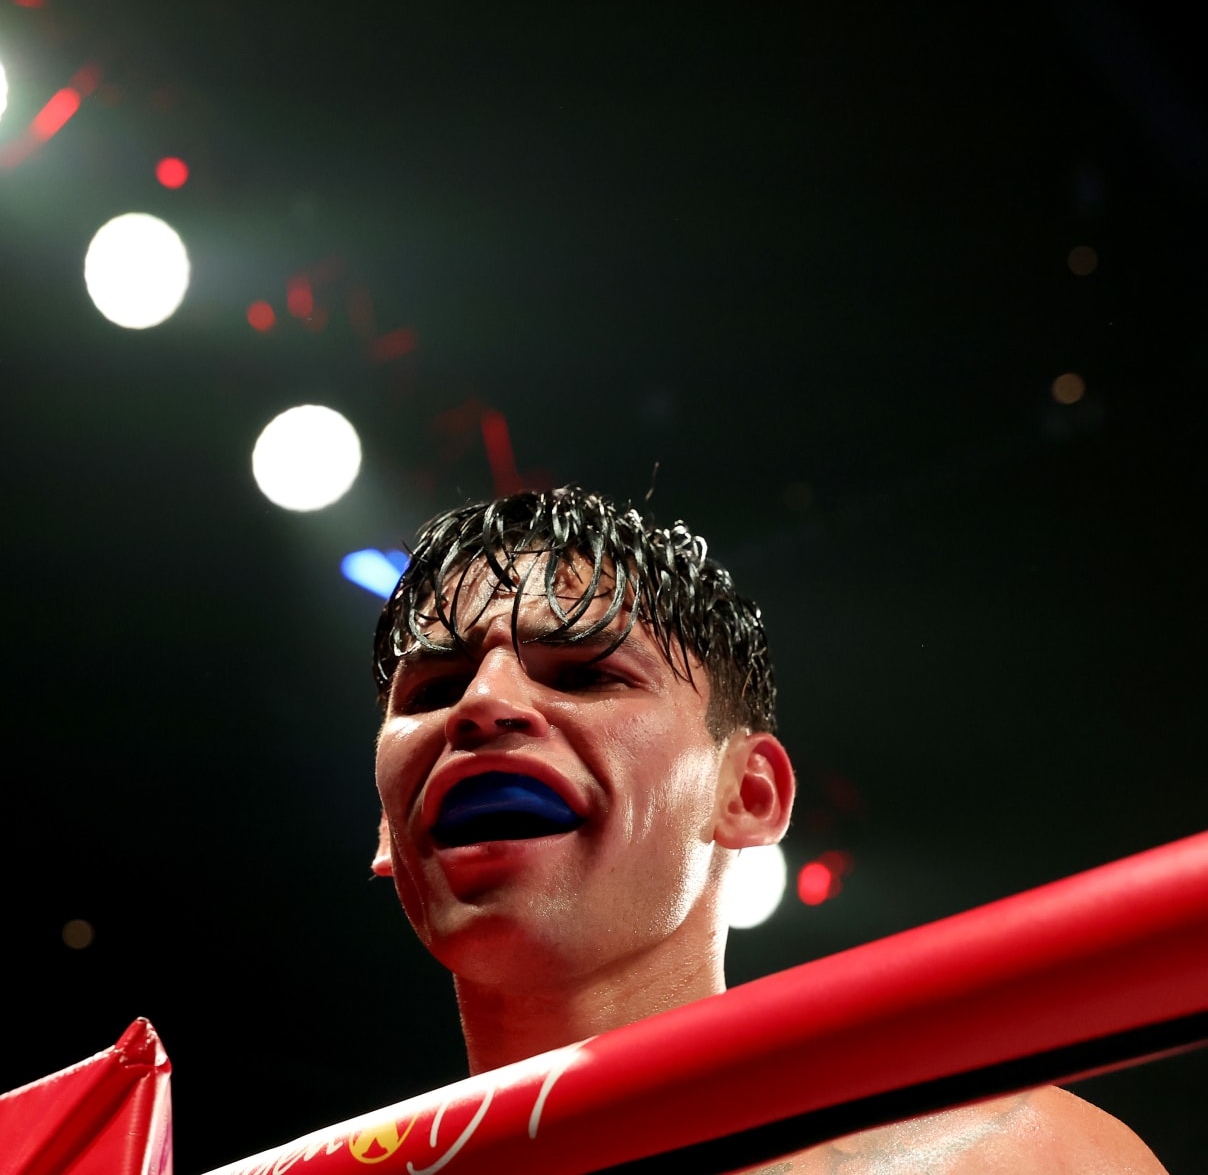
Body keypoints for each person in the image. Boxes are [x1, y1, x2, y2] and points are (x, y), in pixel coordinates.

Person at [365, 486, 1164, 1174]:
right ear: (388, 831)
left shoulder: (1008, 1160)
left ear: (748, 794)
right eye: (433, 689)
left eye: (585, 674)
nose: (481, 705)